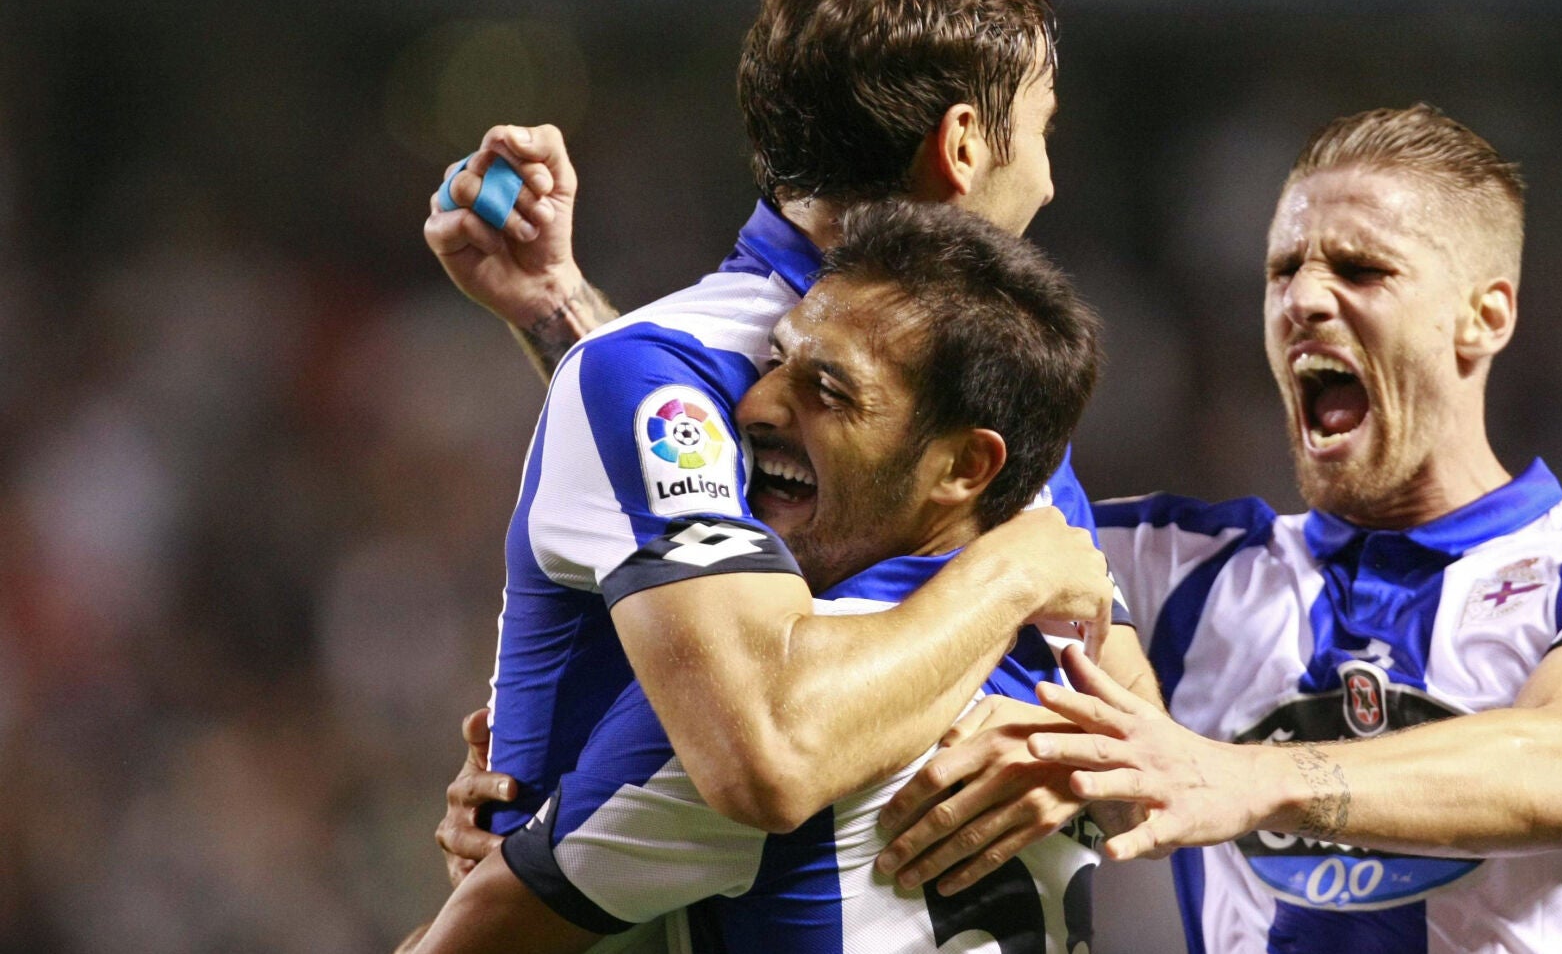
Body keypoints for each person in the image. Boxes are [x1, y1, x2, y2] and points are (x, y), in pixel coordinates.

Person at [418, 0, 1158, 903]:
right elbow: (764, 753)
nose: (1050, 177)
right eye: (1042, 131)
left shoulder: (965, 376)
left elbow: (1134, 741)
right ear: (965, 144)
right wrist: (1016, 575)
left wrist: (1045, 751)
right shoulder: (670, 371)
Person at [904, 104, 1562, 953]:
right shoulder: (1171, 572)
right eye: (1283, 270)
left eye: (1361, 268)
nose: (1304, 298)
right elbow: (955, 488)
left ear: (1485, 317)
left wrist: (1241, 777)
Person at [408, 201, 1110, 953]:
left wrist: (526, 823)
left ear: (966, 467)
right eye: (777, 362)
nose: (755, 404)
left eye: (829, 392)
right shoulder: (1070, 653)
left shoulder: (762, 715)